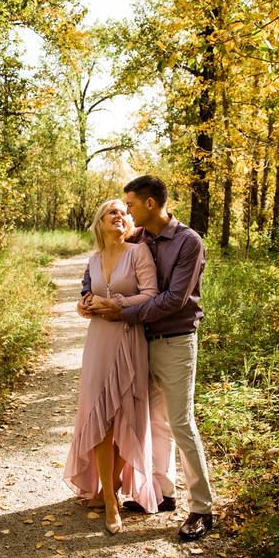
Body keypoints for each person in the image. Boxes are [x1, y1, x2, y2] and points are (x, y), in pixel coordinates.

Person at [80, 175, 215, 541]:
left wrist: (121, 312)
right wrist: (87, 298)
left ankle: (202, 508)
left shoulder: (188, 242)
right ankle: (164, 491)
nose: (127, 212)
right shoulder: (139, 237)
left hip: (174, 340)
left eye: (132, 205)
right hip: (140, 342)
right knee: (152, 422)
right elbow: (105, 267)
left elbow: (174, 299)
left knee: (181, 421)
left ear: (150, 204)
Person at [64, 198, 163, 535]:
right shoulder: (92, 259)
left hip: (128, 339)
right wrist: (84, 306)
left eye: (125, 212)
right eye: (113, 212)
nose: (120, 216)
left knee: (127, 417)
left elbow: (151, 294)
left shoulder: (139, 253)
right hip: (98, 344)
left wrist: (116, 304)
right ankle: (109, 498)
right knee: (100, 419)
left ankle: (115, 482)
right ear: (100, 221)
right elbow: (87, 295)